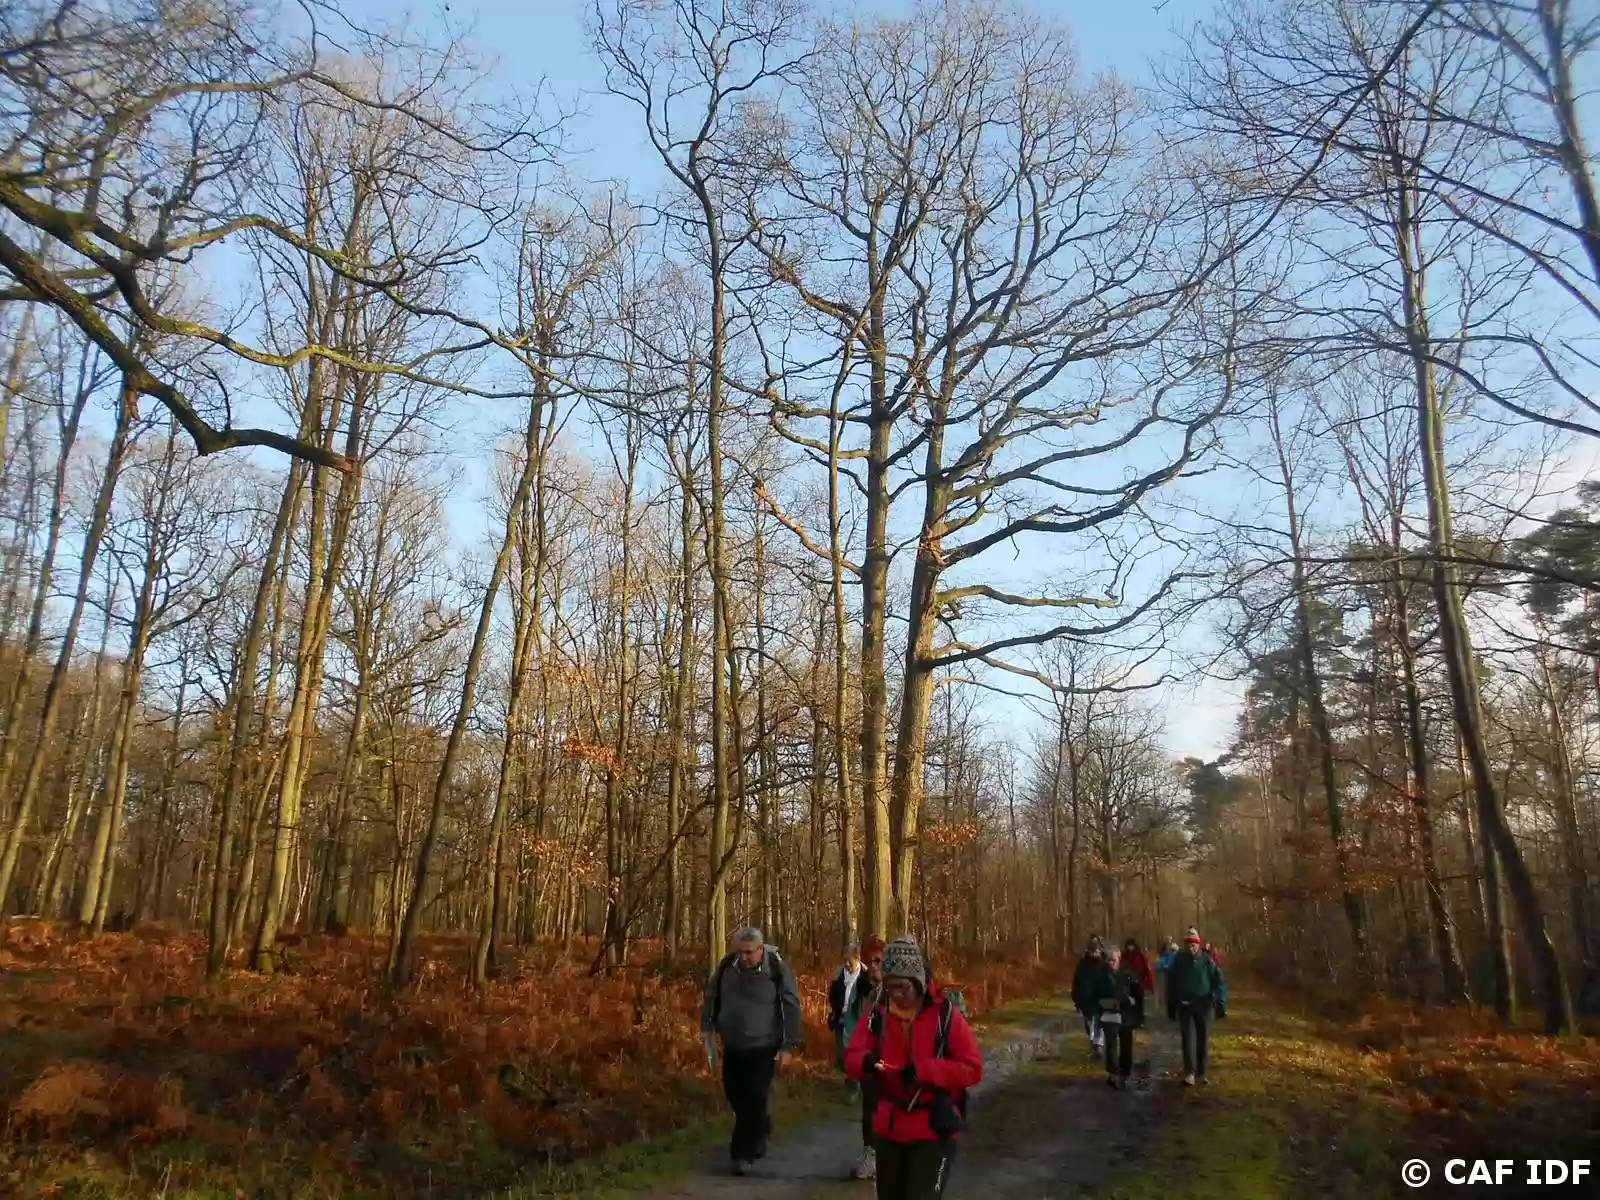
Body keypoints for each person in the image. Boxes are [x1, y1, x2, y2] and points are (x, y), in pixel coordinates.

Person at [846, 935, 982, 1199]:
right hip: (890, 1130)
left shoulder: (945, 1015)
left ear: (918, 982)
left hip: (933, 1130)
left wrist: (925, 1071)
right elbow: (853, 1054)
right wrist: (866, 1063)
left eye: (902, 988)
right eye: (890, 988)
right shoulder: (878, 1012)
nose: (896, 995)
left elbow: (972, 1068)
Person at [700, 926, 804, 1175]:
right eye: (740, 952)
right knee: (734, 1093)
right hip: (733, 1045)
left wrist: (788, 1046)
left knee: (753, 1095)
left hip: (763, 1046)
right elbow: (712, 996)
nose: (744, 957)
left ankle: (742, 1153)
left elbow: (791, 1006)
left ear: (761, 950)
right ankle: (760, 1125)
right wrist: (707, 1029)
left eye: (749, 952)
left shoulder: (776, 969)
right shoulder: (727, 966)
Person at [844, 935, 887, 1180]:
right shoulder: (864, 987)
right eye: (870, 961)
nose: (874, 966)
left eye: (879, 960)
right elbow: (859, 1019)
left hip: (897, 1057)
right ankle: (871, 1152)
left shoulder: (900, 987)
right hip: (872, 1056)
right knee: (870, 1105)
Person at [1165, 927, 1228, 1086]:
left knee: (1202, 1038)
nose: (1191, 947)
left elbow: (1219, 981)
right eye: (1188, 944)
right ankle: (1190, 1073)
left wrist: (1221, 1002)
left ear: (1198, 945)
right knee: (1187, 1039)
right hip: (1185, 1004)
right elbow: (1170, 983)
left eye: (1194, 944)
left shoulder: (1207, 961)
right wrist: (1171, 1004)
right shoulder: (1178, 960)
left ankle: (1202, 1072)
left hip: (1203, 1004)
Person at [1090, 945, 1142, 1088]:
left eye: (1113, 960)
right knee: (1111, 1045)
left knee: (1126, 1045)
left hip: (1126, 1015)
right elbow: (1094, 995)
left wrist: (1136, 1013)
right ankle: (1113, 1073)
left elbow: (1138, 995)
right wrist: (1099, 1008)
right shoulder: (1100, 975)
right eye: (1108, 960)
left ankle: (1124, 1073)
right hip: (1108, 1014)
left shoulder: (1128, 974)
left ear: (1119, 960)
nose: (1111, 963)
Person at [828, 939, 866, 1073]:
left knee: (855, 1051)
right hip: (840, 1017)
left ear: (858, 959)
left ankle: (854, 1079)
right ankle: (844, 1077)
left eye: (850, 960)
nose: (846, 964)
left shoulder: (865, 975)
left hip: (857, 1018)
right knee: (841, 1052)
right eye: (844, 960)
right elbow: (832, 995)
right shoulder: (838, 974)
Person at [1071, 938, 1106, 1054]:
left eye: (1096, 951)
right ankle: (1093, 1043)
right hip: (1085, 999)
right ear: (1088, 951)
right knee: (1089, 1023)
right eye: (1092, 951)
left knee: (1099, 1022)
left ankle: (1098, 1045)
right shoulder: (1082, 965)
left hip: (1100, 998)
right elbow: (1076, 982)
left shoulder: (1104, 964)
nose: (1095, 953)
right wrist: (1075, 999)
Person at [1122, 937, 1156, 1027]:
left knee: (1139, 1003)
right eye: (1129, 946)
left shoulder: (1140, 955)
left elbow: (1146, 970)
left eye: (1131, 946)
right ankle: (1131, 1020)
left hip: (1138, 982)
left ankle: (1140, 1021)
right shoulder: (1124, 956)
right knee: (1129, 1003)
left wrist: (1149, 984)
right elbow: (1121, 967)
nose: (1130, 947)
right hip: (1127, 982)